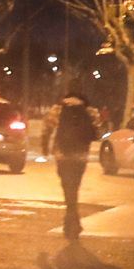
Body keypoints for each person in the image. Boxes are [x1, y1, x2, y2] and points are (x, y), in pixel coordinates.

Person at [48, 89, 97, 241]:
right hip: (81, 154)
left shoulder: (58, 109)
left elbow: (48, 127)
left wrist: (46, 147)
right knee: (75, 186)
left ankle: (70, 218)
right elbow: (96, 131)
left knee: (66, 186)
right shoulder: (90, 111)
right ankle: (73, 220)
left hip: (62, 154)